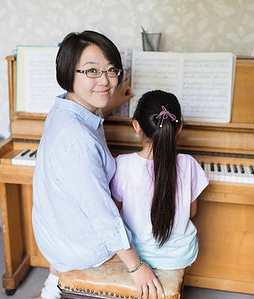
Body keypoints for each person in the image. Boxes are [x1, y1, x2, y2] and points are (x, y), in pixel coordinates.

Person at [32, 31, 164, 299]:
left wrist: (112, 98)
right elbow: (102, 215)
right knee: (155, 217)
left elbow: (99, 94)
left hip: (54, 229)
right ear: (69, 73)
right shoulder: (78, 139)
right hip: (78, 246)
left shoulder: (65, 108)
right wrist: (136, 267)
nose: (105, 80)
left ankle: (51, 288)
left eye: (111, 70)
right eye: (92, 71)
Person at [110, 90, 209, 271]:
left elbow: (113, 213)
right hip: (179, 256)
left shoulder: (123, 164)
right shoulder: (189, 164)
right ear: (178, 128)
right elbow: (192, 212)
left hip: (137, 256)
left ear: (136, 126)